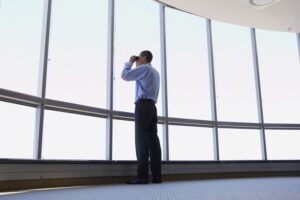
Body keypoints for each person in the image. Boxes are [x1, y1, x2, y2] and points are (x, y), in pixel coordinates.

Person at [121, 50, 162, 184]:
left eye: (139, 58)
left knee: (141, 141)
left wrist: (130, 61)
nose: (137, 61)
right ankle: (157, 177)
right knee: (153, 142)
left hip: (143, 106)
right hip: (152, 107)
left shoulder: (144, 68)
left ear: (144, 58)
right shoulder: (156, 72)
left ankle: (142, 176)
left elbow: (125, 76)